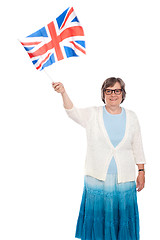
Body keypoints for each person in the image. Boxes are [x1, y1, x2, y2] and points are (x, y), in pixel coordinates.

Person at [52, 77, 146, 240]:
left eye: (117, 91)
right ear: (103, 94)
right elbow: (72, 112)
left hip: (124, 180)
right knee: (99, 222)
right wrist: (63, 93)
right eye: (108, 91)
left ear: (123, 94)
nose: (113, 94)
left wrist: (142, 171)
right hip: (97, 178)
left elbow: (137, 145)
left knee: (121, 221)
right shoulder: (93, 114)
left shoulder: (132, 117)